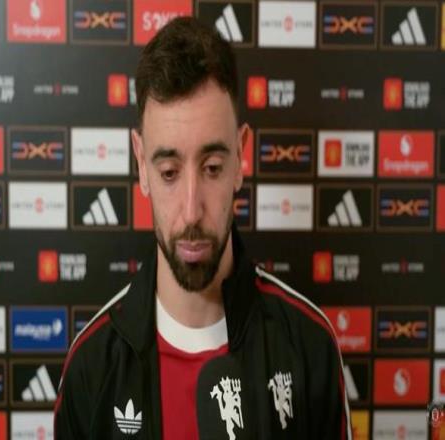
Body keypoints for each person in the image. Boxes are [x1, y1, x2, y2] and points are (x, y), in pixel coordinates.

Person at [54, 16, 351, 440]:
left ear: (241, 158)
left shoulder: (309, 345)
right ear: (141, 164)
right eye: (169, 172)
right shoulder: (92, 367)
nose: (192, 211)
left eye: (212, 168)